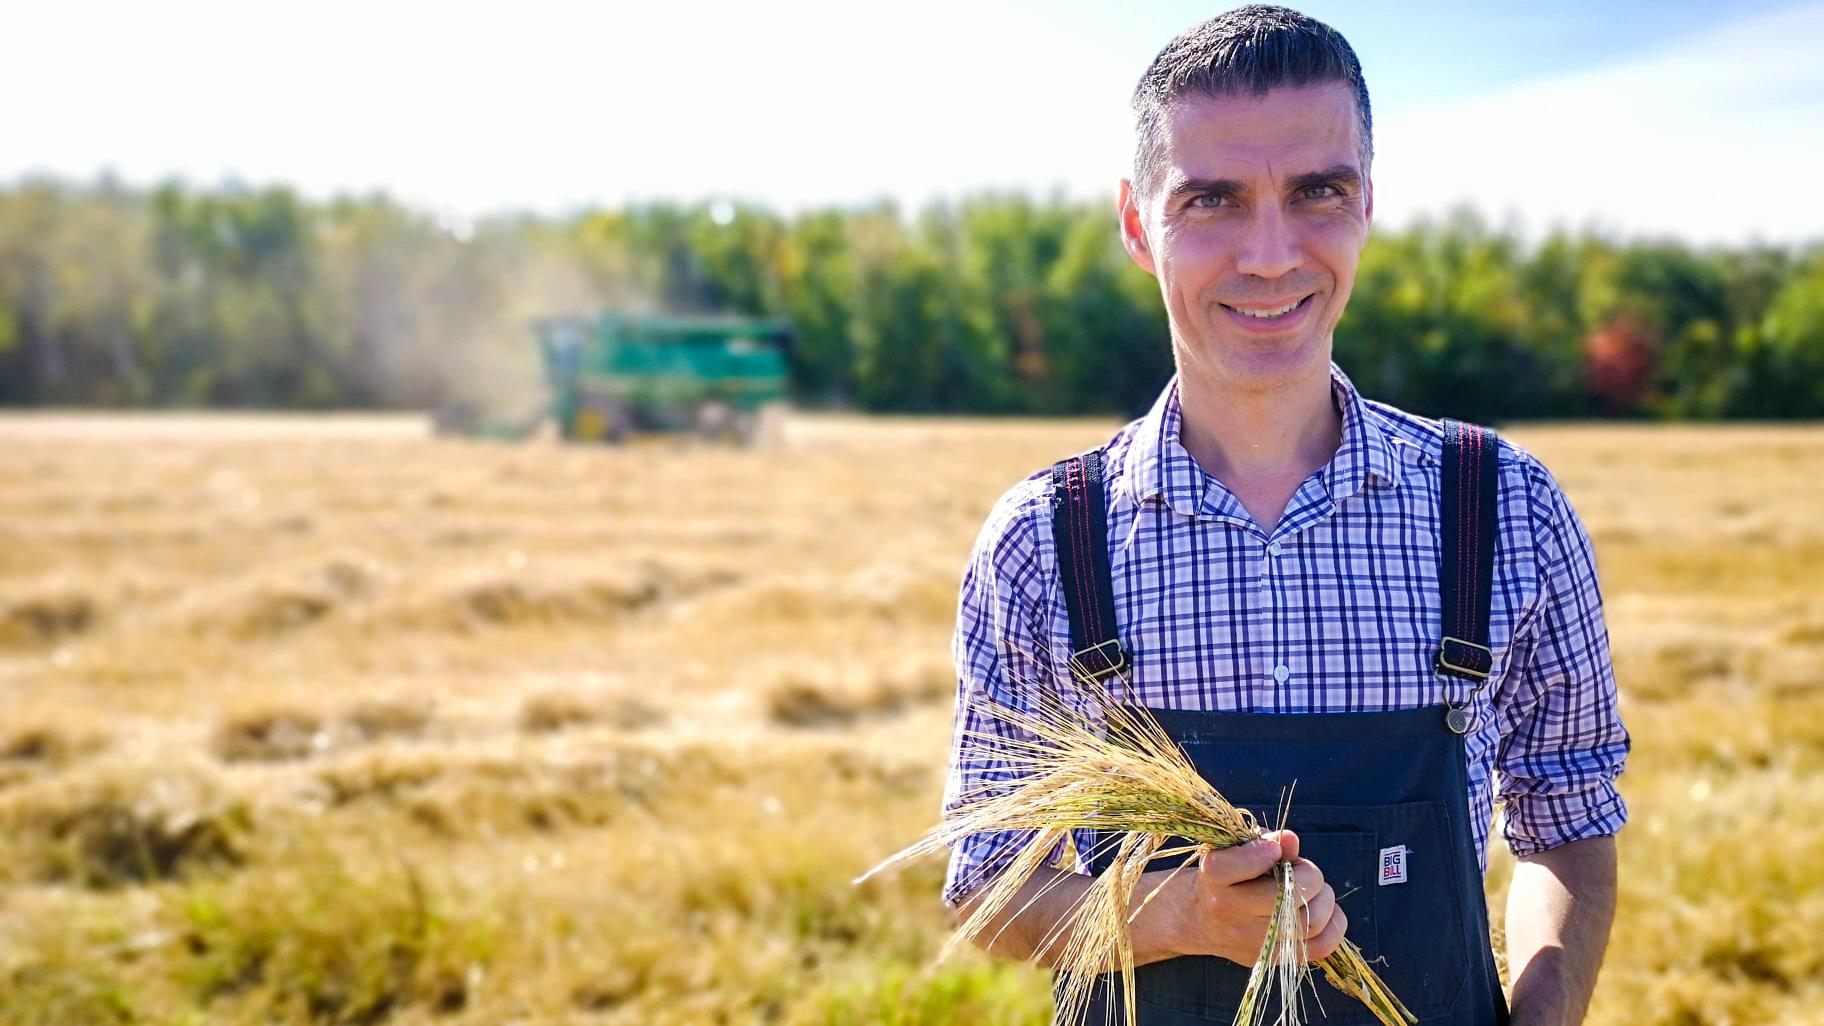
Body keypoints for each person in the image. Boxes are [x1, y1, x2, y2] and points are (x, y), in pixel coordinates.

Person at [940, 6, 1629, 1026]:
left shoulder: (1505, 509)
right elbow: (987, 890)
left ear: (1366, 205)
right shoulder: (1047, 543)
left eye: (1317, 191)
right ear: (1139, 223)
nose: (1270, 254)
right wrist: (1179, 916)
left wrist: (1543, 1015)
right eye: (1212, 199)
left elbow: (1568, 821)